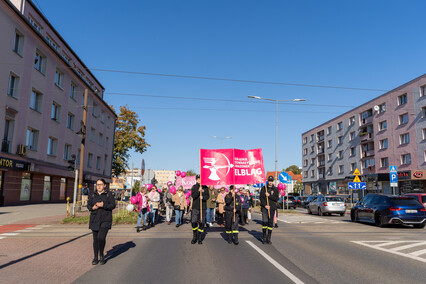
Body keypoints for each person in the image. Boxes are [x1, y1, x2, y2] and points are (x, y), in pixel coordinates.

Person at [87, 179, 116, 265]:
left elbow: (113, 205)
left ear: (104, 185)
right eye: (97, 184)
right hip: (94, 219)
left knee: (101, 238)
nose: (99, 186)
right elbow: (88, 205)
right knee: (95, 239)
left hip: (105, 219)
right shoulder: (92, 195)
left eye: (101, 184)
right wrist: (93, 208)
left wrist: (104, 205)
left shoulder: (108, 194)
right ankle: (96, 257)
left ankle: (102, 255)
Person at [260, 176, 279, 244]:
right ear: (267, 181)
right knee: (265, 222)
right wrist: (265, 205)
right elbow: (261, 198)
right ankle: (264, 238)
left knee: (270, 223)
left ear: (273, 181)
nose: (270, 182)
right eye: (269, 181)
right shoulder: (263, 188)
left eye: (271, 181)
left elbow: (276, 199)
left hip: (272, 208)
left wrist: (269, 196)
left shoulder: (275, 189)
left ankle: (269, 238)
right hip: (265, 208)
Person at [190, 175, 209, 244]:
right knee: (194, 221)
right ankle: (195, 236)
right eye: (198, 179)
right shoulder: (194, 187)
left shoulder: (205, 187)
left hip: (203, 208)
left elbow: (207, 196)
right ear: (196, 180)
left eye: (200, 179)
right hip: (195, 207)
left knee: (202, 222)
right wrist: (198, 191)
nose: (199, 180)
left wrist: (203, 197)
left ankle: (200, 238)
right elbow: (193, 196)